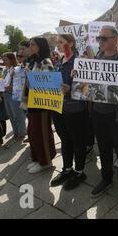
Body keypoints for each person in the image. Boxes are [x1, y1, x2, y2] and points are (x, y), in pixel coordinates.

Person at [90, 26, 118, 206]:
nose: (100, 41)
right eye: (99, 39)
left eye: (103, 38)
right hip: (99, 112)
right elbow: (89, 83)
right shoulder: (97, 58)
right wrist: (78, 76)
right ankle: (106, 178)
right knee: (104, 148)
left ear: (115, 39)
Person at [50, 34, 87, 190]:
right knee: (65, 139)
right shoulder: (58, 62)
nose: (57, 45)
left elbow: (87, 89)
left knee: (77, 141)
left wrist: (70, 88)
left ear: (71, 44)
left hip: (75, 108)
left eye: (61, 42)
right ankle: (67, 169)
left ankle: (79, 172)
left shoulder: (80, 63)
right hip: (59, 107)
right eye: (57, 42)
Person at [25, 37, 56, 174]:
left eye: (33, 44)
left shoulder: (46, 62)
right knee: (32, 132)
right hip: (32, 102)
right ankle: (37, 159)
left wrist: (31, 82)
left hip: (41, 104)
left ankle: (45, 162)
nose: (30, 47)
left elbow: (48, 84)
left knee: (41, 133)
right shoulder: (32, 61)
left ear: (40, 46)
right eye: (29, 44)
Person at [1, 52, 27, 143]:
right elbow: (4, 81)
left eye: (5, 60)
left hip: (15, 95)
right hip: (6, 94)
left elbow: (22, 83)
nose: (3, 61)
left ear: (11, 59)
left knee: (18, 115)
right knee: (11, 116)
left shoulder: (18, 69)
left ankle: (22, 133)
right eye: (3, 60)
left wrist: (11, 87)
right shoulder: (5, 70)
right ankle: (16, 133)